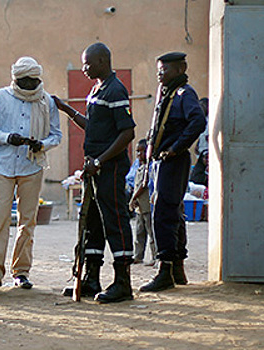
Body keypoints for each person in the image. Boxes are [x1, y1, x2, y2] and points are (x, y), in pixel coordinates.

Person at [53, 42, 136, 303]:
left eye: (87, 63)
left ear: (102, 61)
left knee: (115, 220)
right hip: (95, 168)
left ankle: (123, 283)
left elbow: (127, 132)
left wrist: (99, 161)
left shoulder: (115, 90)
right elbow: (95, 127)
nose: (84, 68)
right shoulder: (97, 88)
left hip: (109, 168)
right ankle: (91, 278)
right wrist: (67, 110)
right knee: (93, 222)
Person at [0, 56, 62, 293]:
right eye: (24, 81)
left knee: (27, 222)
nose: (29, 86)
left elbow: (56, 135)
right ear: (16, 79)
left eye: (33, 81)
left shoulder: (46, 101)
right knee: (0, 220)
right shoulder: (0, 97)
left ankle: (21, 272)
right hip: (3, 167)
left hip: (31, 167)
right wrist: (7, 138)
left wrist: (41, 145)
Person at [139, 52, 206, 293]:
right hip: (161, 163)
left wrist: (175, 148)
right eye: (158, 69)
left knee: (163, 214)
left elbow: (198, 121)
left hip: (172, 162)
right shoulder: (167, 92)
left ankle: (165, 269)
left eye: (164, 69)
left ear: (180, 69)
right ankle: (177, 268)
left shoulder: (184, 93)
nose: (160, 74)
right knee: (173, 212)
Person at [129, 139, 156, 266]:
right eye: (138, 152)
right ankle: (138, 255)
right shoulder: (138, 167)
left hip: (148, 205)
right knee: (139, 232)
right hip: (140, 206)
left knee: (152, 232)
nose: (139, 154)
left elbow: (145, 184)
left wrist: (133, 197)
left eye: (143, 151)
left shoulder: (150, 167)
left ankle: (155, 256)